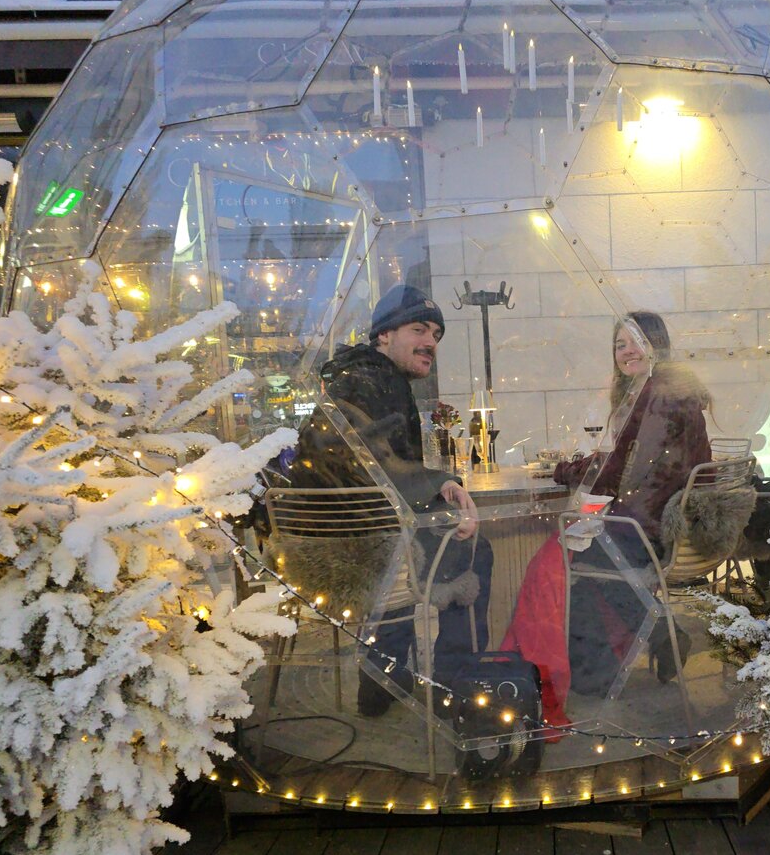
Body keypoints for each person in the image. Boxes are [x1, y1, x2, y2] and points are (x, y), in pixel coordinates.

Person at [290, 284, 493, 716]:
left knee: (421, 540)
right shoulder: (374, 383)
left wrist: (441, 484)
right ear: (384, 334)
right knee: (475, 548)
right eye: (419, 329)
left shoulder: (356, 378)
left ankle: (383, 679)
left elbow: (376, 471)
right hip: (360, 550)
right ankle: (454, 683)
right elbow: (381, 473)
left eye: (436, 334)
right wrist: (442, 487)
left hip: (331, 543)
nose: (430, 342)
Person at [500, 312, 711, 726]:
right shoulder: (668, 390)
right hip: (665, 518)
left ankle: (655, 634)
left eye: (637, 342)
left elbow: (620, 474)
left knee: (570, 560)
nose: (628, 351)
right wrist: (589, 465)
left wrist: (564, 470)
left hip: (648, 525)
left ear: (656, 345)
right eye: (620, 344)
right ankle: (599, 669)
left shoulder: (659, 396)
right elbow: (629, 462)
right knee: (583, 559)